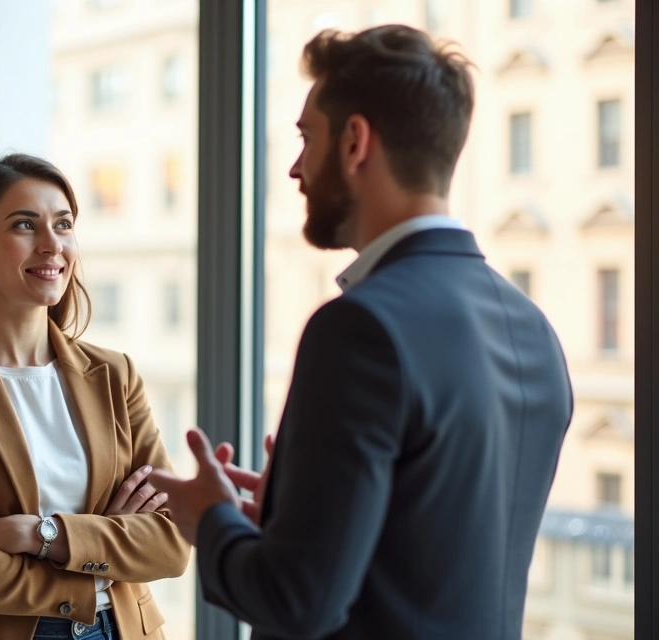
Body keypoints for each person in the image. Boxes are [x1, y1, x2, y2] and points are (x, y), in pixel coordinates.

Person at [149, 25, 573, 640]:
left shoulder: (358, 330)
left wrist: (210, 518)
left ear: (355, 142)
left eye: (305, 137)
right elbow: (443, 559)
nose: (294, 168)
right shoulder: (534, 330)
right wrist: (301, 518)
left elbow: (299, 603)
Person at [0, 154, 190, 640]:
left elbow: (172, 544)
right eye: (25, 225)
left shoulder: (115, 375)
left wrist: (43, 534)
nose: (52, 245)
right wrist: (102, 561)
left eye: (64, 224)